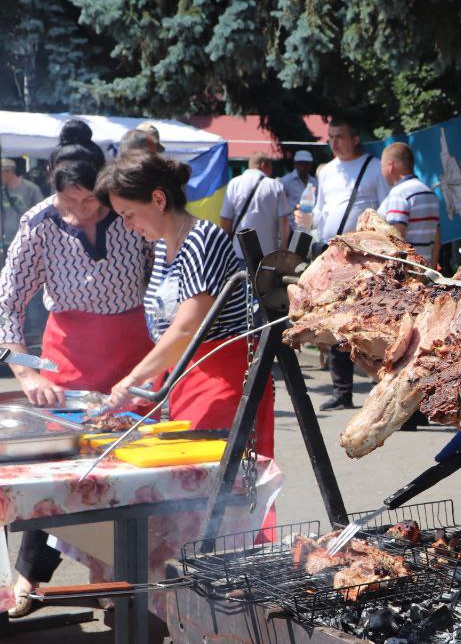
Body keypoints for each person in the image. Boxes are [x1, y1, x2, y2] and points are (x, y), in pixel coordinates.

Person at [0, 120, 153, 617]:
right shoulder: (39, 224)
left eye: (90, 202)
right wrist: (26, 372)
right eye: (70, 202)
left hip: (133, 362)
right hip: (62, 366)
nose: (80, 211)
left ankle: (110, 579)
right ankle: (27, 575)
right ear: (53, 187)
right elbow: (6, 305)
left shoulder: (131, 217)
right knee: (55, 480)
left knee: (128, 476)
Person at [95, 152, 276, 460]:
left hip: (223, 381)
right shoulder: (164, 245)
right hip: (187, 378)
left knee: (215, 485)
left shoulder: (201, 239)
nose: (127, 226)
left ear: (158, 199)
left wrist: (132, 379)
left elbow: (187, 329)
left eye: (129, 214)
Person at [296, 115, 389, 410]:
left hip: (364, 256)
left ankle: (382, 389)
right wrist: (307, 221)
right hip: (331, 253)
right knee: (334, 322)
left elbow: (384, 211)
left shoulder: (373, 168)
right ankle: (342, 391)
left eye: (339, 137)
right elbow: (321, 211)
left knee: (372, 323)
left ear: (355, 139)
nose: (333, 143)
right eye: (330, 137)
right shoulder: (327, 172)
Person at [377, 143, 441, 269]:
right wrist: (431, 271)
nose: (381, 171)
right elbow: (437, 242)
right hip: (425, 272)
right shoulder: (430, 193)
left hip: (404, 273)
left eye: (382, 167)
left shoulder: (399, 194)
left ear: (390, 166)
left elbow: (395, 238)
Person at [219, 151, 291, 259]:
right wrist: (283, 248)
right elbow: (284, 221)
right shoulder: (275, 186)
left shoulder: (234, 184)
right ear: (263, 165)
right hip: (268, 256)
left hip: (239, 252)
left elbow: (225, 221)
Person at [1, 158, 45, 257]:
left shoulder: (31, 188)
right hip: (7, 239)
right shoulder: (2, 191)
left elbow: (42, 211)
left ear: (10, 172)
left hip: (26, 238)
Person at [280, 150, 317, 232]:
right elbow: (280, 205)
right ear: (295, 164)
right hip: (290, 228)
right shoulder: (285, 181)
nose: (303, 166)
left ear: (310, 165)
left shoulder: (314, 182)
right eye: (300, 163)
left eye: (306, 163)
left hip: (308, 227)